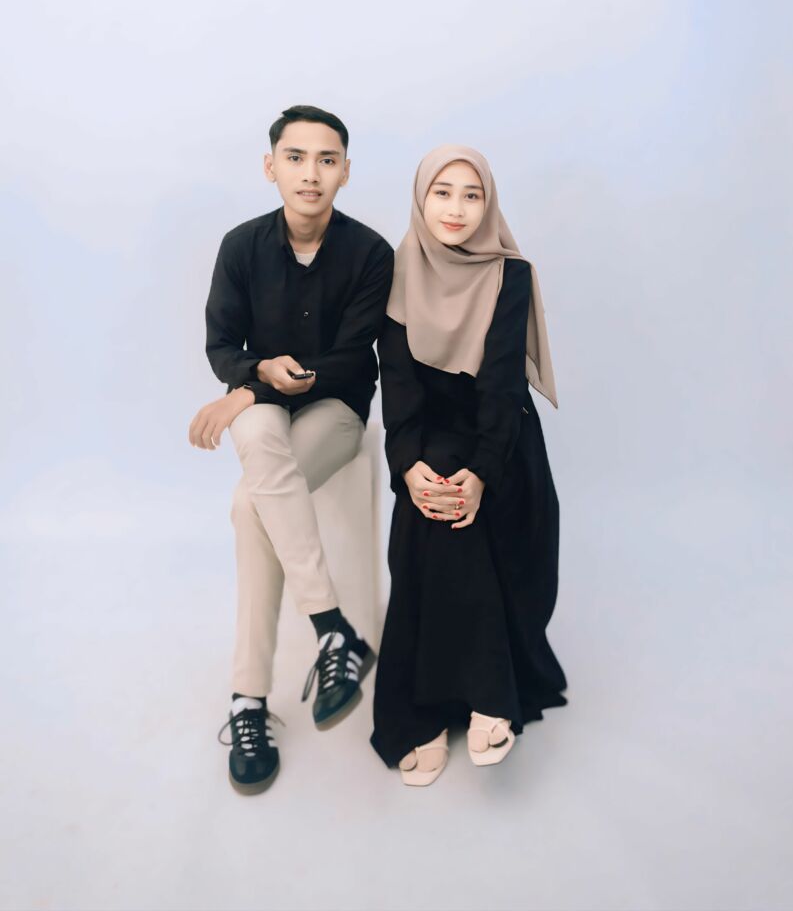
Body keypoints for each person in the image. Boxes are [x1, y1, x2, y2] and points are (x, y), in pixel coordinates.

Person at [188, 106, 393, 795]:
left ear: (345, 172)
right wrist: (255, 380)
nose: (311, 173)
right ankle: (333, 630)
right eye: (296, 157)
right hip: (264, 413)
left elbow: (350, 359)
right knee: (256, 441)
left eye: (326, 159)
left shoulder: (371, 254)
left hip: (335, 409)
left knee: (251, 507)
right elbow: (222, 344)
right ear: (270, 166)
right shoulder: (241, 246)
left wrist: (246, 389)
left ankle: (247, 700)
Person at [370, 144, 567, 785]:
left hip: (501, 444)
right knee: (432, 497)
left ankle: (452, 702)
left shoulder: (511, 274)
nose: (456, 208)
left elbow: (502, 391)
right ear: (420, 198)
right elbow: (398, 388)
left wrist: (480, 473)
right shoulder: (398, 270)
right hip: (426, 438)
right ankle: (473, 694)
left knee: (456, 503)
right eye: (442, 192)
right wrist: (407, 466)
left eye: (471, 194)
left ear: (489, 204)